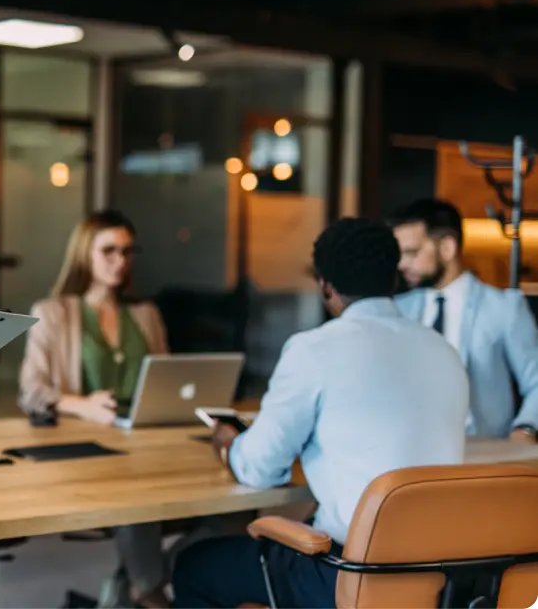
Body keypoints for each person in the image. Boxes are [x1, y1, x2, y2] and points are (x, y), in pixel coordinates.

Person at [170, 217, 469, 609]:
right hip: (436, 579)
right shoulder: (444, 352)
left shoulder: (314, 350)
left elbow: (260, 469)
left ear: (326, 286)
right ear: (393, 281)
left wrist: (232, 444)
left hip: (347, 575)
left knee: (195, 565)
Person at [20, 210, 237, 609]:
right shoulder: (54, 312)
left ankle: (141, 581)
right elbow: (32, 390)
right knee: (138, 497)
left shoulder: (145, 314)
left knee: (236, 501)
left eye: (126, 251)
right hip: (89, 450)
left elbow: (168, 379)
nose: (120, 261)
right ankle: (149, 590)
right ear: (85, 254)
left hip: (148, 439)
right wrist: (82, 405)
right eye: (109, 251)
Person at [389, 198, 538, 443]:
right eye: (400, 255)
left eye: (412, 253)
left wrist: (525, 430)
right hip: (411, 453)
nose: (402, 264)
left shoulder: (504, 308)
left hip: (483, 456)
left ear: (447, 247)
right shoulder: (396, 310)